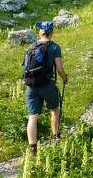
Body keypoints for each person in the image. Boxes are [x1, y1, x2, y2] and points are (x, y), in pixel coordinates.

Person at [24, 21, 68, 156]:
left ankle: (32, 148)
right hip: (47, 85)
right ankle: (56, 138)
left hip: (31, 85)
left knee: (32, 117)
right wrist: (64, 78)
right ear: (52, 32)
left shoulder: (32, 46)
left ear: (40, 32)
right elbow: (59, 68)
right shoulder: (54, 47)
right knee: (54, 110)